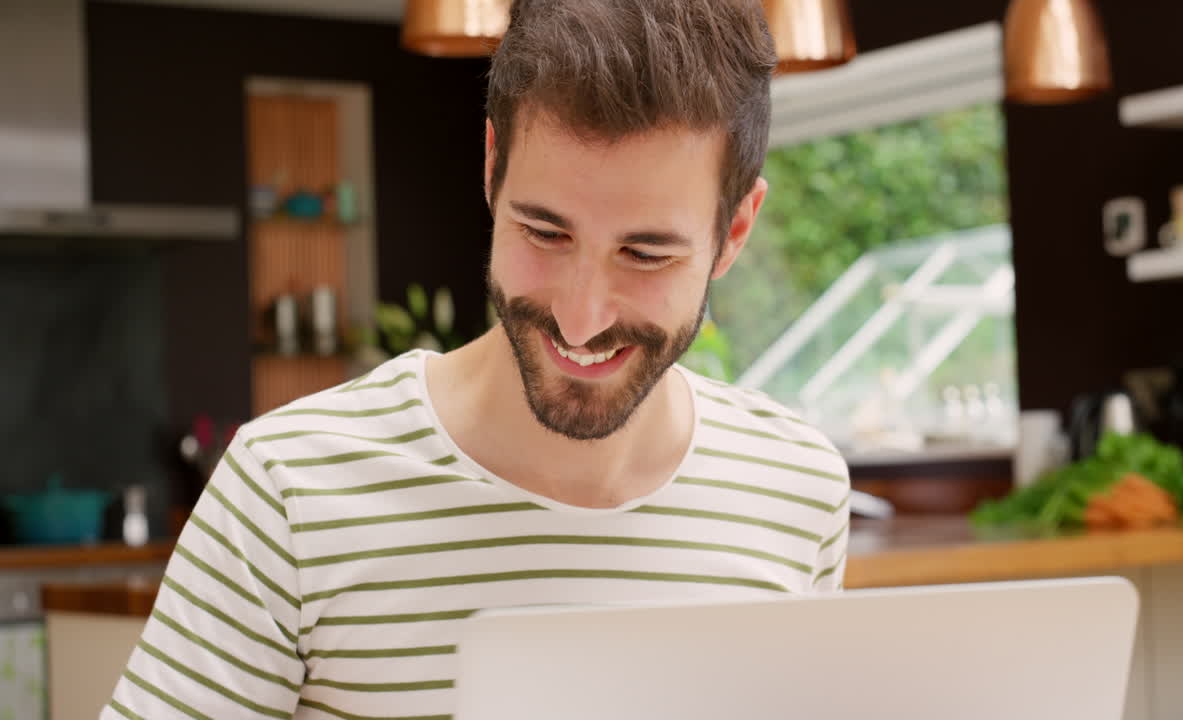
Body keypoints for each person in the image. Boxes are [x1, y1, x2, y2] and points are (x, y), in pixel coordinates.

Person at [104, 0, 849, 717]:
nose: (580, 318)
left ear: (737, 229)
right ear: (493, 167)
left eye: (645, 253)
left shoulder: (798, 490)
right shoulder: (289, 487)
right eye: (545, 233)